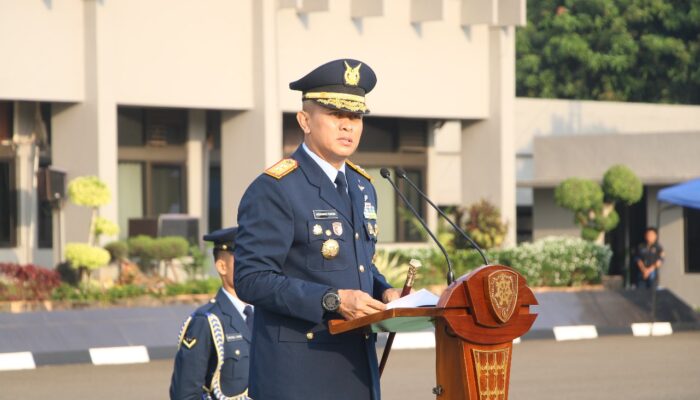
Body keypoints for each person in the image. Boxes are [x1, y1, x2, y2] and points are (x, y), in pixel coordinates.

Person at [234, 59, 402, 400]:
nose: (347, 127)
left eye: (354, 117)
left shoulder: (362, 186)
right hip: (299, 375)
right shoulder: (276, 188)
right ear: (305, 121)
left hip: (356, 368)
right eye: (334, 115)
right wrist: (332, 300)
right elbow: (251, 279)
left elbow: (358, 263)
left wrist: (385, 291)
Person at [170, 227, 253, 400]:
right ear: (222, 267)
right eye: (243, 259)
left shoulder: (264, 315)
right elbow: (185, 394)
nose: (251, 266)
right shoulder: (206, 321)